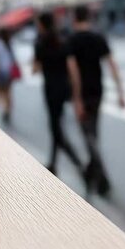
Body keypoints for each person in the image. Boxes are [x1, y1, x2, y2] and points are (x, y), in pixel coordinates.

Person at [67, 6, 125, 196]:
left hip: (83, 94)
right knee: (93, 134)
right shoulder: (98, 38)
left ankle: (102, 180)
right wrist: (120, 92)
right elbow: (112, 65)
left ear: (75, 19)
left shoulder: (73, 41)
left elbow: (74, 73)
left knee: (89, 137)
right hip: (98, 92)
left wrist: (77, 100)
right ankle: (92, 175)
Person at [33, 13, 83, 176]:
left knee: (56, 130)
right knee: (56, 127)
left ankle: (80, 166)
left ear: (41, 24)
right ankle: (53, 164)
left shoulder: (40, 43)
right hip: (63, 89)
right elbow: (72, 69)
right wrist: (76, 94)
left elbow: (35, 69)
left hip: (50, 90)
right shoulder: (62, 40)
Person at [0, 28, 19, 124]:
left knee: (0, 92)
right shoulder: (8, 43)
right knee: (8, 92)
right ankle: (8, 109)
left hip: (1, 72)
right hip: (9, 71)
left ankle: (5, 109)